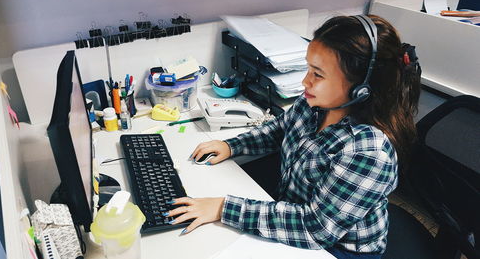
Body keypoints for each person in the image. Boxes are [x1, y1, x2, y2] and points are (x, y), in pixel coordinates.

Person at [163, 15, 421, 258]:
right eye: (309, 69)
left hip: (339, 247)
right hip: (298, 215)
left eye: (318, 74)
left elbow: (316, 228)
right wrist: (232, 146)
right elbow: (280, 130)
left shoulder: (367, 152)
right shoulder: (315, 103)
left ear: (362, 89)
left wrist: (223, 208)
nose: (305, 82)